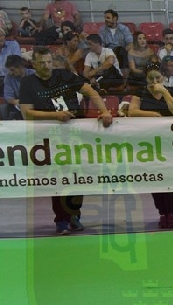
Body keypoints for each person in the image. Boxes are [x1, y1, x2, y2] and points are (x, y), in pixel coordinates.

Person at [19, 46, 113, 235]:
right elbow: (26, 113)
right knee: (59, 179)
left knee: (78, 177)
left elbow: (90, 91)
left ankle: (74, 215)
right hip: (50, 138)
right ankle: (61, 220)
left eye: (49, 62)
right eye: (42, 63)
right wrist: (55, 115)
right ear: (34, 64)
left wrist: (104, 111)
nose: (47, 66)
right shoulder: (28, 83)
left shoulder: (64, 75)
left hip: (76, 134)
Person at [128, 63, 173, 228]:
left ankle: (171, 212)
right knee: (155, 177)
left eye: (157, 77)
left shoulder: (172, 91)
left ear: (163, 77)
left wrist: (164, 92)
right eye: (150, 78)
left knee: (169, 177)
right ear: (146, 78)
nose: (154, 81)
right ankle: (162, 212)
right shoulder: (140, 92)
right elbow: (132, 111)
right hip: (149, 143)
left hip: (169, 142)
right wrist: (153, 114)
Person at [1, 55, 34, 120]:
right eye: (9, 70)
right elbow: (8, 96)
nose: (10, 73)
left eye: (12, 70)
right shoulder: (8, 77)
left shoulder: (34, 75)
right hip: (18, 105)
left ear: (21, 67)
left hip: (34, 104)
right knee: (3, 108)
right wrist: (17, 102)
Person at [0, 27, 20, 94]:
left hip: (10, 78)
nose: (1, 38)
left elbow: (16, 64)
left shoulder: (13, 45)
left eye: (2, 35)